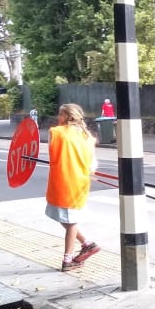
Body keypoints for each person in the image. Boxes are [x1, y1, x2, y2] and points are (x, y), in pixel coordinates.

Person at [46, 103, 100, 271]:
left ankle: (67, 260)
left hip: (63, 181)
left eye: (60, 115)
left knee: (70, 221)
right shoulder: (88, 137)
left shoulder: (55, 133)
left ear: (68, 117)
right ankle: (88, 244)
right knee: (67, 219)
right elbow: (93, 165)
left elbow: (52, 153)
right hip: (80, 183)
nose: (57, 118)